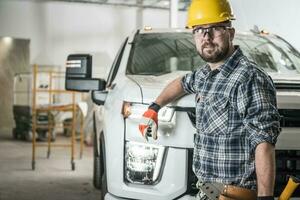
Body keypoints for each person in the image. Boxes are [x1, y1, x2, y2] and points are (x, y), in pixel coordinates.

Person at [138, 0, 281, 199]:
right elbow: (181, 83)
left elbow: (263, 142)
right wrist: (153, 108)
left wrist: (265, 197)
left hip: (235, 195)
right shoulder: (205, 75)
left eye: (215, 28)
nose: (207, 37)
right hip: (207, 193)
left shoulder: (249, 78)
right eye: (199, 30)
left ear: (230, 33)